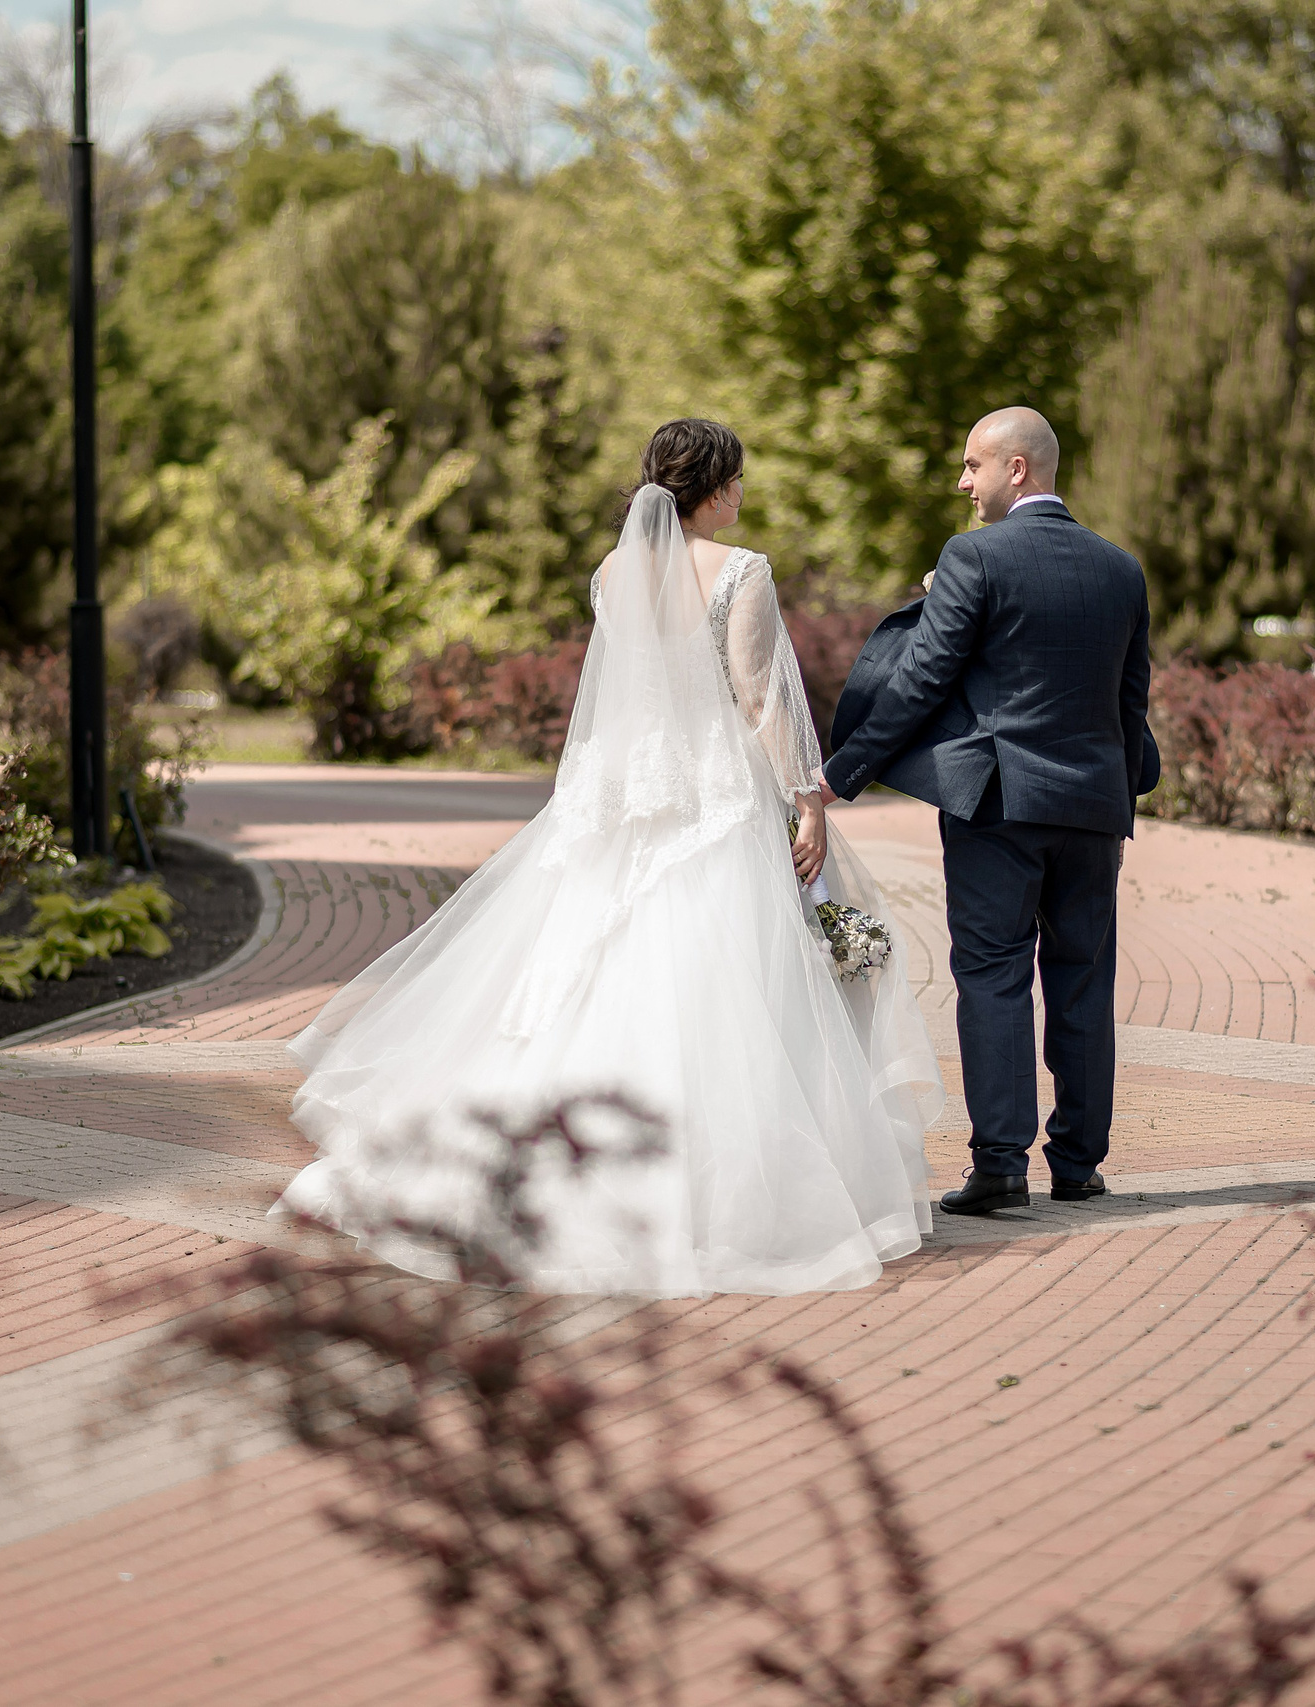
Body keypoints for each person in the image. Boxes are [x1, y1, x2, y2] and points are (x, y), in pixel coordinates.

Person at [278, 419, 943, 1295]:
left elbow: (630, 687)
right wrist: (807, 796)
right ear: (712, 487)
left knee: (585, 971)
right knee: (718, 982)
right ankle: (715, 1195)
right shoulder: (739, 569)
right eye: (735, 479)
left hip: (622, 798)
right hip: (710, 799)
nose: (741, 494)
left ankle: (534, 1156)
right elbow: (758, 698)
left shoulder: (613, 571)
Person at [823, 406, 1157, 1215]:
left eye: (974, 465)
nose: (963, 483)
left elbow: (922, 682)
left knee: (994, 977)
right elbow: (1131, 700)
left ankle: (1001, 1166)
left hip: (998, 806)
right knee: (1082, 980)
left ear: (1019, 468)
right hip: (1092, 807)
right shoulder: (1121, 569)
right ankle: (1077, 1165)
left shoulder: (973, 557)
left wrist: (843, 771)